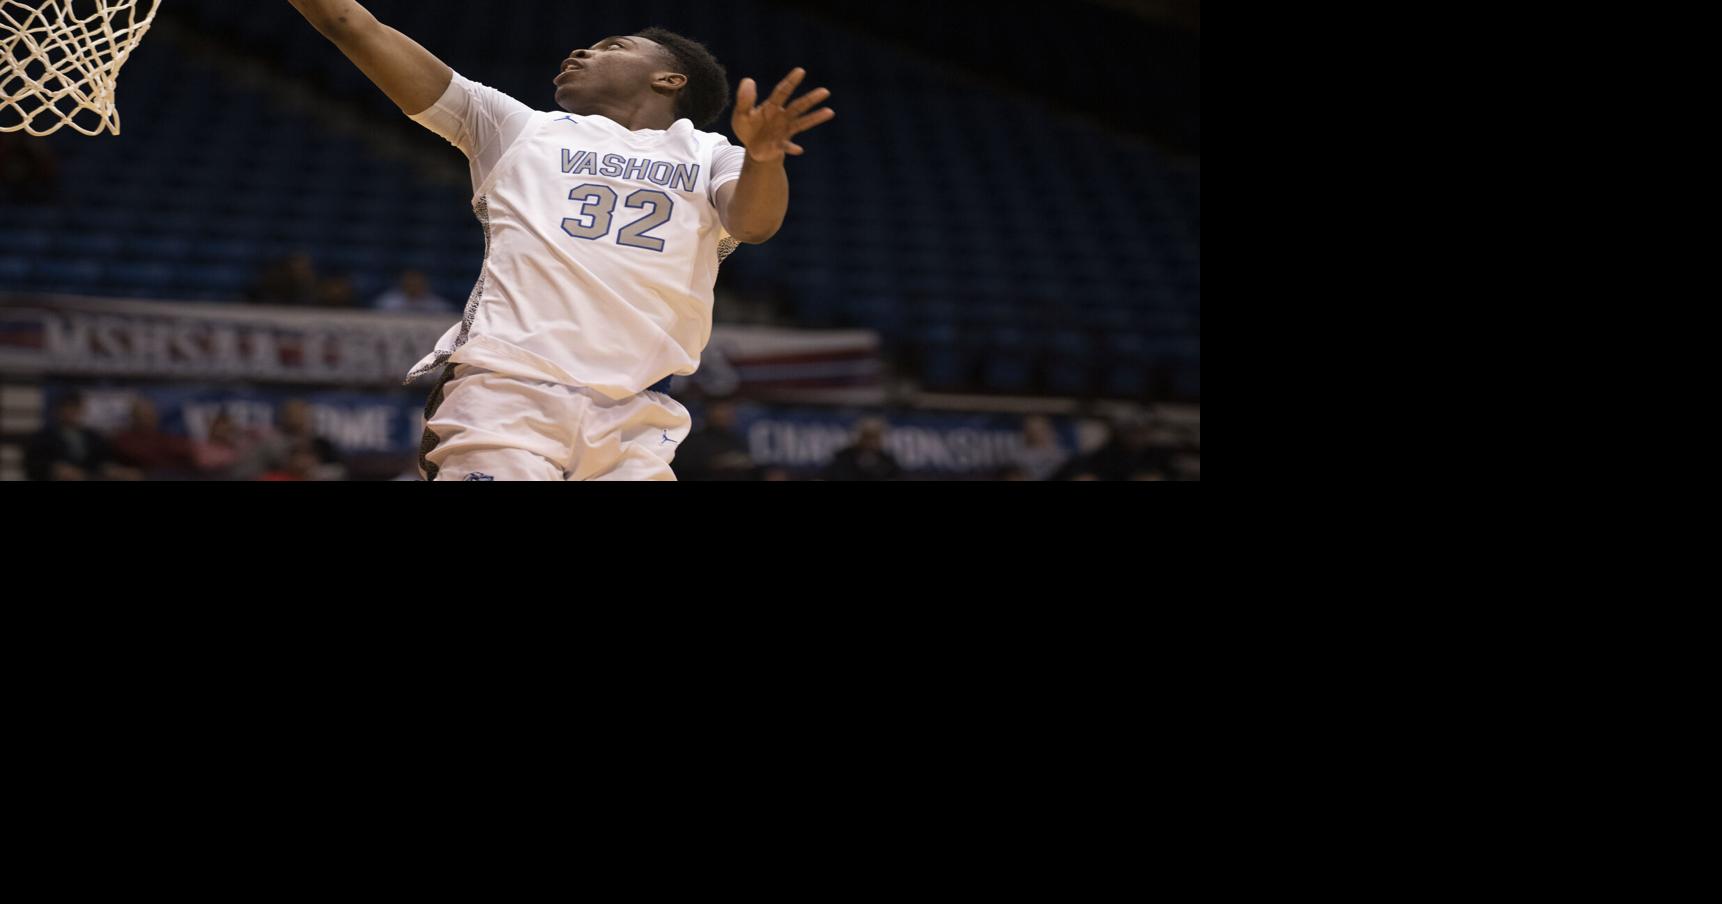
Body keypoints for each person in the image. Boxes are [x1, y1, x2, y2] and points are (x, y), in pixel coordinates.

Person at [288, 1, 834, 481]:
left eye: (610, 47)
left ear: (669, 80)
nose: (578, 52)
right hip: (509, 393)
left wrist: (764, 157)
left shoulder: (710, 152)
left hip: (636, 416)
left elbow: (754, 223)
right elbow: (351, 24)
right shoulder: (516, 128)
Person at [24, 392, 117, 481]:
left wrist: (108, 469)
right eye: (67, 408)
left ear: (82, 410)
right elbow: (33, 465)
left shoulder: (93, 437)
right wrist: (54, 469)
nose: (71, 412)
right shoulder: (43, 437)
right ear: (58, 411)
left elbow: (103, 461)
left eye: (75, 408)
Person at [825, 418, 902, 482]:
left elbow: (897, 476)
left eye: (875, 437)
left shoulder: (887, 460)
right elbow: (829, 475)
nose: (871, 442)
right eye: (867, 437)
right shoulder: (845, 457)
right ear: (860, 437)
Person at [374, 270, 455, 314]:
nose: (414, 287)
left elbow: (448, 315)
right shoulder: (389, 302)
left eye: (417, 284)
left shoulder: (435, 304)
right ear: (404, 284)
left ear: (424, 285)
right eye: (410, 284)